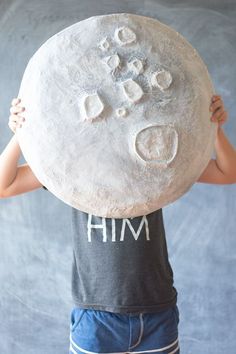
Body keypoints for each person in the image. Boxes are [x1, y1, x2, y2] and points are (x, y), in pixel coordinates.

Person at [0, 95, 235, 354]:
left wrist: (214, 128)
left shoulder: (156, 160)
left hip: (156, 313)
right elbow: (5, 185)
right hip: (95, 317)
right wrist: (22, 133)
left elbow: (228, 172)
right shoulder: (74, 168)